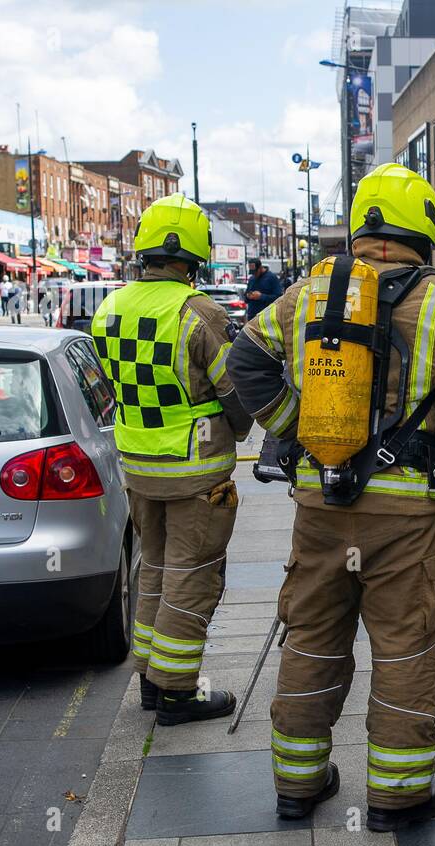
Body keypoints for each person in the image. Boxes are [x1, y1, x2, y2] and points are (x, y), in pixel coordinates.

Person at [226, 163, 435, 831]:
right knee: (405, 646)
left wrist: (295, 429)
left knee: (313, 639)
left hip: (320, 504)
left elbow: (246, 360)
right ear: (424, 228)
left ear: (362, 228)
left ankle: (297, 786)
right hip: (405, 511)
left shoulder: (305, 296)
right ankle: (398, 795)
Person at [90, 193, 253, 725]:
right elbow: (234, 389)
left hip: (138, 465)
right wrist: (246, 428)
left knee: (153, 568)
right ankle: (179, 692)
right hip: (194, 468)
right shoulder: (198, 310)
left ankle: (151, 682)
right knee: (194, 573)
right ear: (195, 253)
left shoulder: (110, 307)